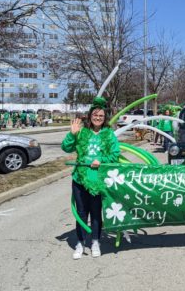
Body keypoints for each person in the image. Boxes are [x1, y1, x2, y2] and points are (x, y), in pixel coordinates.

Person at [61, 97, 120, 259]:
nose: (98, 118)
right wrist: (72, 135)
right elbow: (66, 148)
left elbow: (115, 155)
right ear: (90, 116)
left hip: (98, 180)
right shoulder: (82, 132)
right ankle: (80, 243)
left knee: (95, 213)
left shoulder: (109, 134)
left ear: (104, 118)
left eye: (101, 116)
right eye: (95, 115)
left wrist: (101, 160)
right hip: (80, 178)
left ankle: (95, 241)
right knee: (81, 213)